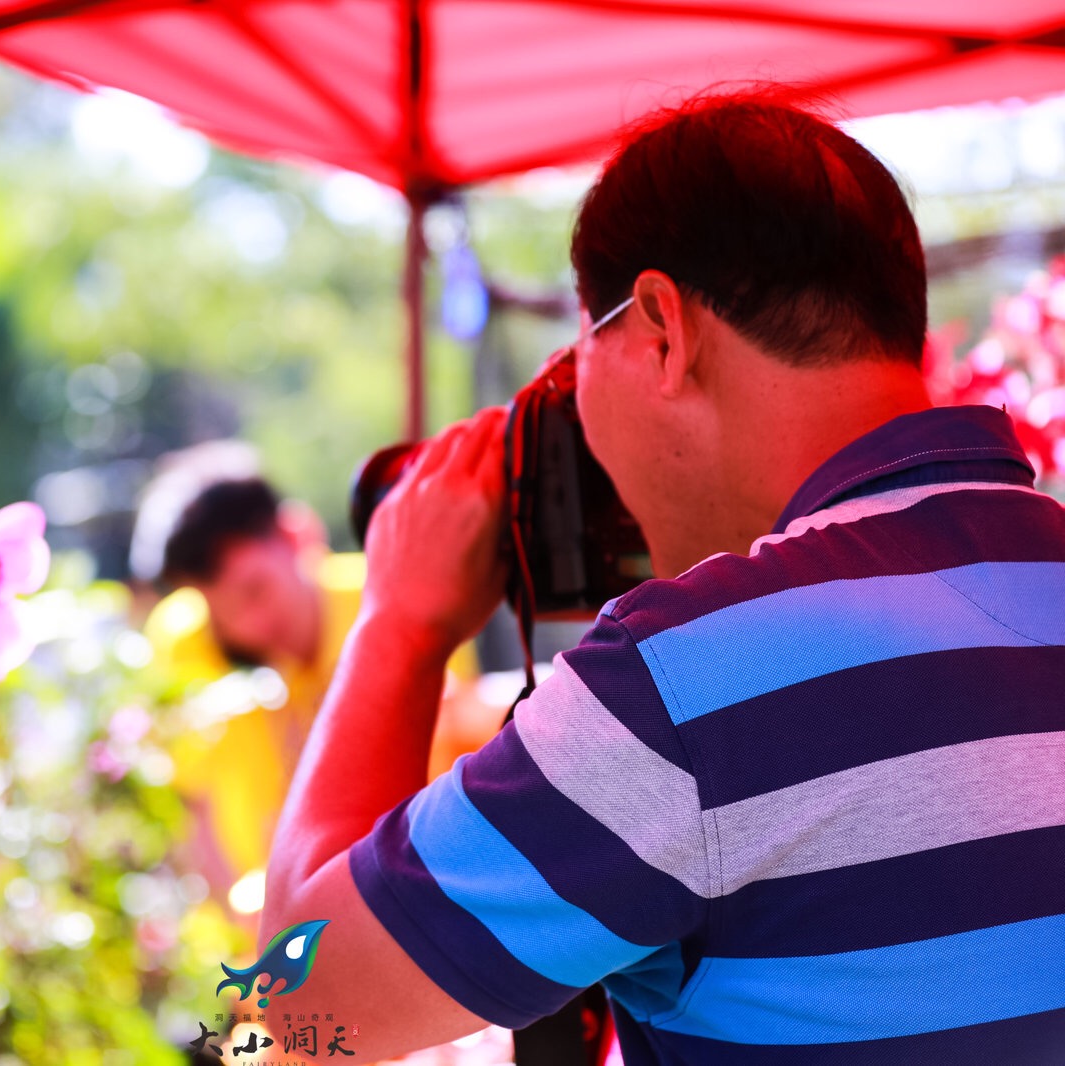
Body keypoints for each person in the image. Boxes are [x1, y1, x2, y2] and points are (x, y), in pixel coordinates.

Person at [259, 92, 1065, 1064]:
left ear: (659, 330)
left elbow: (294, 1015)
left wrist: (398, 624)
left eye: (576, 348)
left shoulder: (688, 682)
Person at [133, 444, 495, 920]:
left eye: (255, 590)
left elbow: (453, 756)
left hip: (408, 906)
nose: (249, 626)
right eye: (223, 616)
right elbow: (189, 807)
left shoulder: (398, 601)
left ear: (295, 534)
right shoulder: (184, 639)